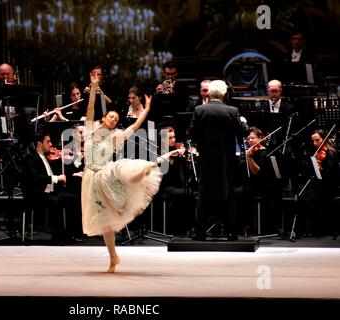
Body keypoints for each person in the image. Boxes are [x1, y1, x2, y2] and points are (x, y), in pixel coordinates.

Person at [82, 71, 168, 273]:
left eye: (115, 119)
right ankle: (113, 257)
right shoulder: (89, 130)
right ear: (104, 117)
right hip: (90, 178)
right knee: (105, 222)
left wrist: (146, 109)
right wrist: (94, 87)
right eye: (111, 116)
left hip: (104, 173)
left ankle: (145, 169)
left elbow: (135, 126)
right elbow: (90, 107)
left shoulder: (115, 137)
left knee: (121, 166)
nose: (113, 120)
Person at [189, 80, 248, 241]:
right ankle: (231, 233)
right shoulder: (232, 111)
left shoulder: (199, 110)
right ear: (223, 94)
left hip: (206, 159)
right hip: (227, 160)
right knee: (228, 194)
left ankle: (200, 233)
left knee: (202, 194)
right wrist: (243, 122)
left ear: (210, 93)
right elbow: (243, 133)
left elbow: (192, 134)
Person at [22, 130, 81, 244]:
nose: (51, 144)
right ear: (39, 143)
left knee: (74, 199)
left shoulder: (46, 157)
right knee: (55, 202)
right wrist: (56, 178)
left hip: (50, 192)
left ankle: (71, 233)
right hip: (36, 194)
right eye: (48, 142)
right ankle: (57, 238)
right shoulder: (30, 158)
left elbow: (58, 172)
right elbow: (36, 177)